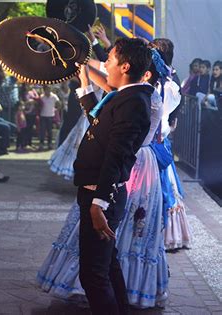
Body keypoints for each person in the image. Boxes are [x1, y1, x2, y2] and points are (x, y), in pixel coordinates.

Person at [73, 38, 153, 314]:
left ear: (126, 65)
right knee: (106, 265)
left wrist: (99, 204)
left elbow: (115, 157)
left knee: (93, 275)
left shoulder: (133, 102)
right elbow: (98, 123)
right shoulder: (125, 96)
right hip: (97, 191)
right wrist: (83, 80)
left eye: (109, 59)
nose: (105, 63)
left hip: (102, 193)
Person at [39, 86, 61, 151]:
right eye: (46, 90)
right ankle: (41, 144)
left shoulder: (54, 96)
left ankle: (49, 144)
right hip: (43, 115)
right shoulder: (41, 97)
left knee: (49, 131)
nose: (48, 91)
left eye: (49, 89)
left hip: (51, 116)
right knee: (42, 131)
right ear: (44, 90)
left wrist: (56, 110)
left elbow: (59, 103)